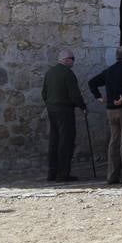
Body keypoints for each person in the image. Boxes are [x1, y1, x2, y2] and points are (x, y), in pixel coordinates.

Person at [88, 46, 122, 184]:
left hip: (110, 110)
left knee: (114, 142)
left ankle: (112, 175)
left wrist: (98, 97)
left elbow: (92, 82)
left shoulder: (109, 70)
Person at [41, 49, 87, 182]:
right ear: (66, 59)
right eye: (72, 58)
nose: (73, 61)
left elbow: (44, 93)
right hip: (65, 110)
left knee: (54, 140)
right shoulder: (68, 73)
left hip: (52, 109)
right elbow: (75, 95)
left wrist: (50, 104)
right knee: (66, 141)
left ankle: (52, 172)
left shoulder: (50, 72)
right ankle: (63, 173)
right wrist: (82, 106)